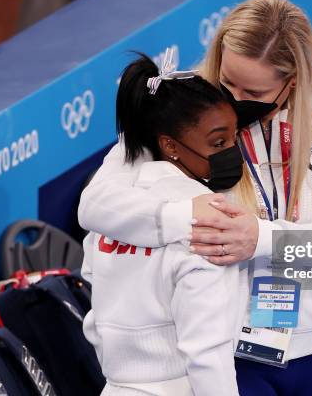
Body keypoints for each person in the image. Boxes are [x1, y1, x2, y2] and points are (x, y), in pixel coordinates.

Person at [79, 0, 312, 395]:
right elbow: (96, 205)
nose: (235, 100)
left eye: (253, 91)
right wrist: (184, 216)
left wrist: (262, 240)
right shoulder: (186, 110)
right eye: (227, 82)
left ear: (293, 82)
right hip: (232, 355)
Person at [81, 52, 242, 396]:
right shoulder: (210, 224)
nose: (232, 151)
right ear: (170, 145)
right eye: (218, 143)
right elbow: (208, 352)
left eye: (233, 138)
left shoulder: (113, 210)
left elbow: (94, 311)